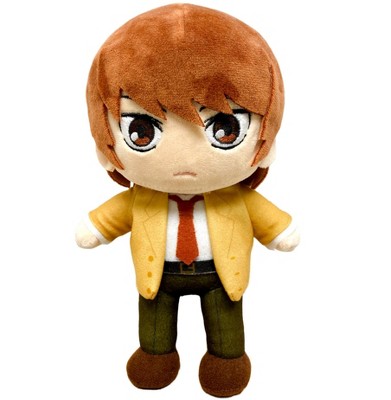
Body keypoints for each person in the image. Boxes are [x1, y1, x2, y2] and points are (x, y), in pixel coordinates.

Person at [75, 4, 299, 397]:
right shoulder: (141, 199)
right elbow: (111, 216)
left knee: (226, 320)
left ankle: (227, 358)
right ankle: (156, 353)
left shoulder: (237, 198)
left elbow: (269, 220)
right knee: (154, 319)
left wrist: (281, 231)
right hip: (156, 277)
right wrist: (95, 227)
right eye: (141, 130)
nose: (184, 159)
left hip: (222, 275)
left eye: (225, 128)